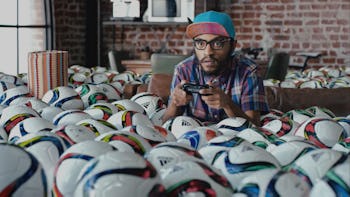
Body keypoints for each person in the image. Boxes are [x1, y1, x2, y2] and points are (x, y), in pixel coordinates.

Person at [162, 10, 269, 126]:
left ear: (233, 46)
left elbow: (254, 127)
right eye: (200, 43)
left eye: (218, 44)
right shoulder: (183, 70)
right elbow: (165, 126)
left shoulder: (249, 71)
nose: (208, 52)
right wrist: (174, 103)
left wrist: (228, 104)